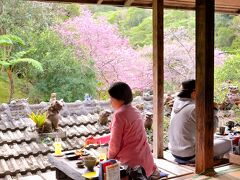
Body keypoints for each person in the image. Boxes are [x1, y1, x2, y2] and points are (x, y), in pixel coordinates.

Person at [86, 82, 161, 179]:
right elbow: (120, 135)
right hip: (146, 164)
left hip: (132, 169)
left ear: (119, 98)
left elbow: (115, 144)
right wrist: (97, 140)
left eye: (111, 98)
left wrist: (108, 161)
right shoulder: (135, 111)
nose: (110, 101)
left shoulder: (119, 115)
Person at [168, 79, 231, 163]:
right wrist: (214, 110)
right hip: (189, 155)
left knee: (217, 138)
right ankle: (208, 159)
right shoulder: (194, 108)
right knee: (227, 143)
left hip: (174, 152)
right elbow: (211, 131)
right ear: (194, 93)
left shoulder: (177, 104)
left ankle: (214, 158)